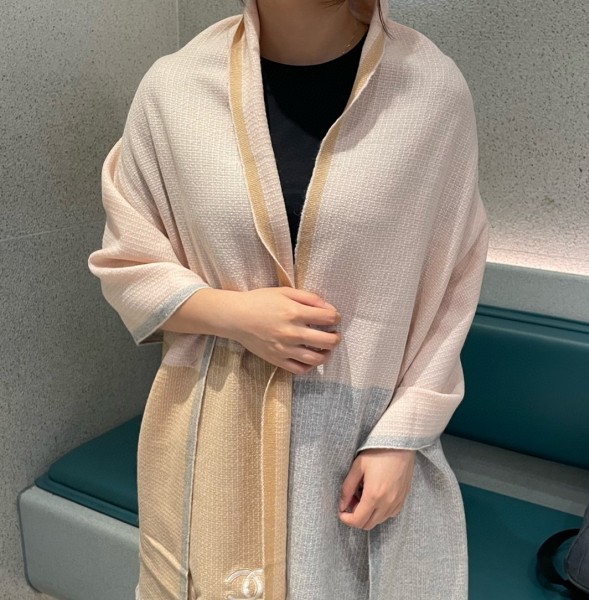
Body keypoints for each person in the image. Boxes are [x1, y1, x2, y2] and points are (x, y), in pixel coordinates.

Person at [88, 0, 490, 598]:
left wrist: (403, 436)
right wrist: (235, 315)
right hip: (215, 430)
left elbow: (454, 280)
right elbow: (127, 262)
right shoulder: (174, 91)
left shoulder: (430, 90)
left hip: (360, 446)